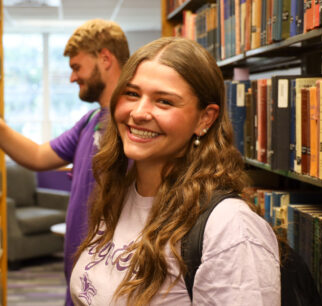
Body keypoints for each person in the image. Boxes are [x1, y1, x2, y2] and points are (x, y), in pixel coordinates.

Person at [70, 37, 280, 305]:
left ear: (205, 118)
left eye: (164, 102)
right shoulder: (118, 193)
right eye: (132, 94)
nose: (139, 112)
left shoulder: (231, 229)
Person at [0, 19, 130, 305]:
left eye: (76, 67)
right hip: (78, 284)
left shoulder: (133, 127)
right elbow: (37, 156)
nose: (72, 78)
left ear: (105, 58)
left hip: (112, 289)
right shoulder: (89, 122)